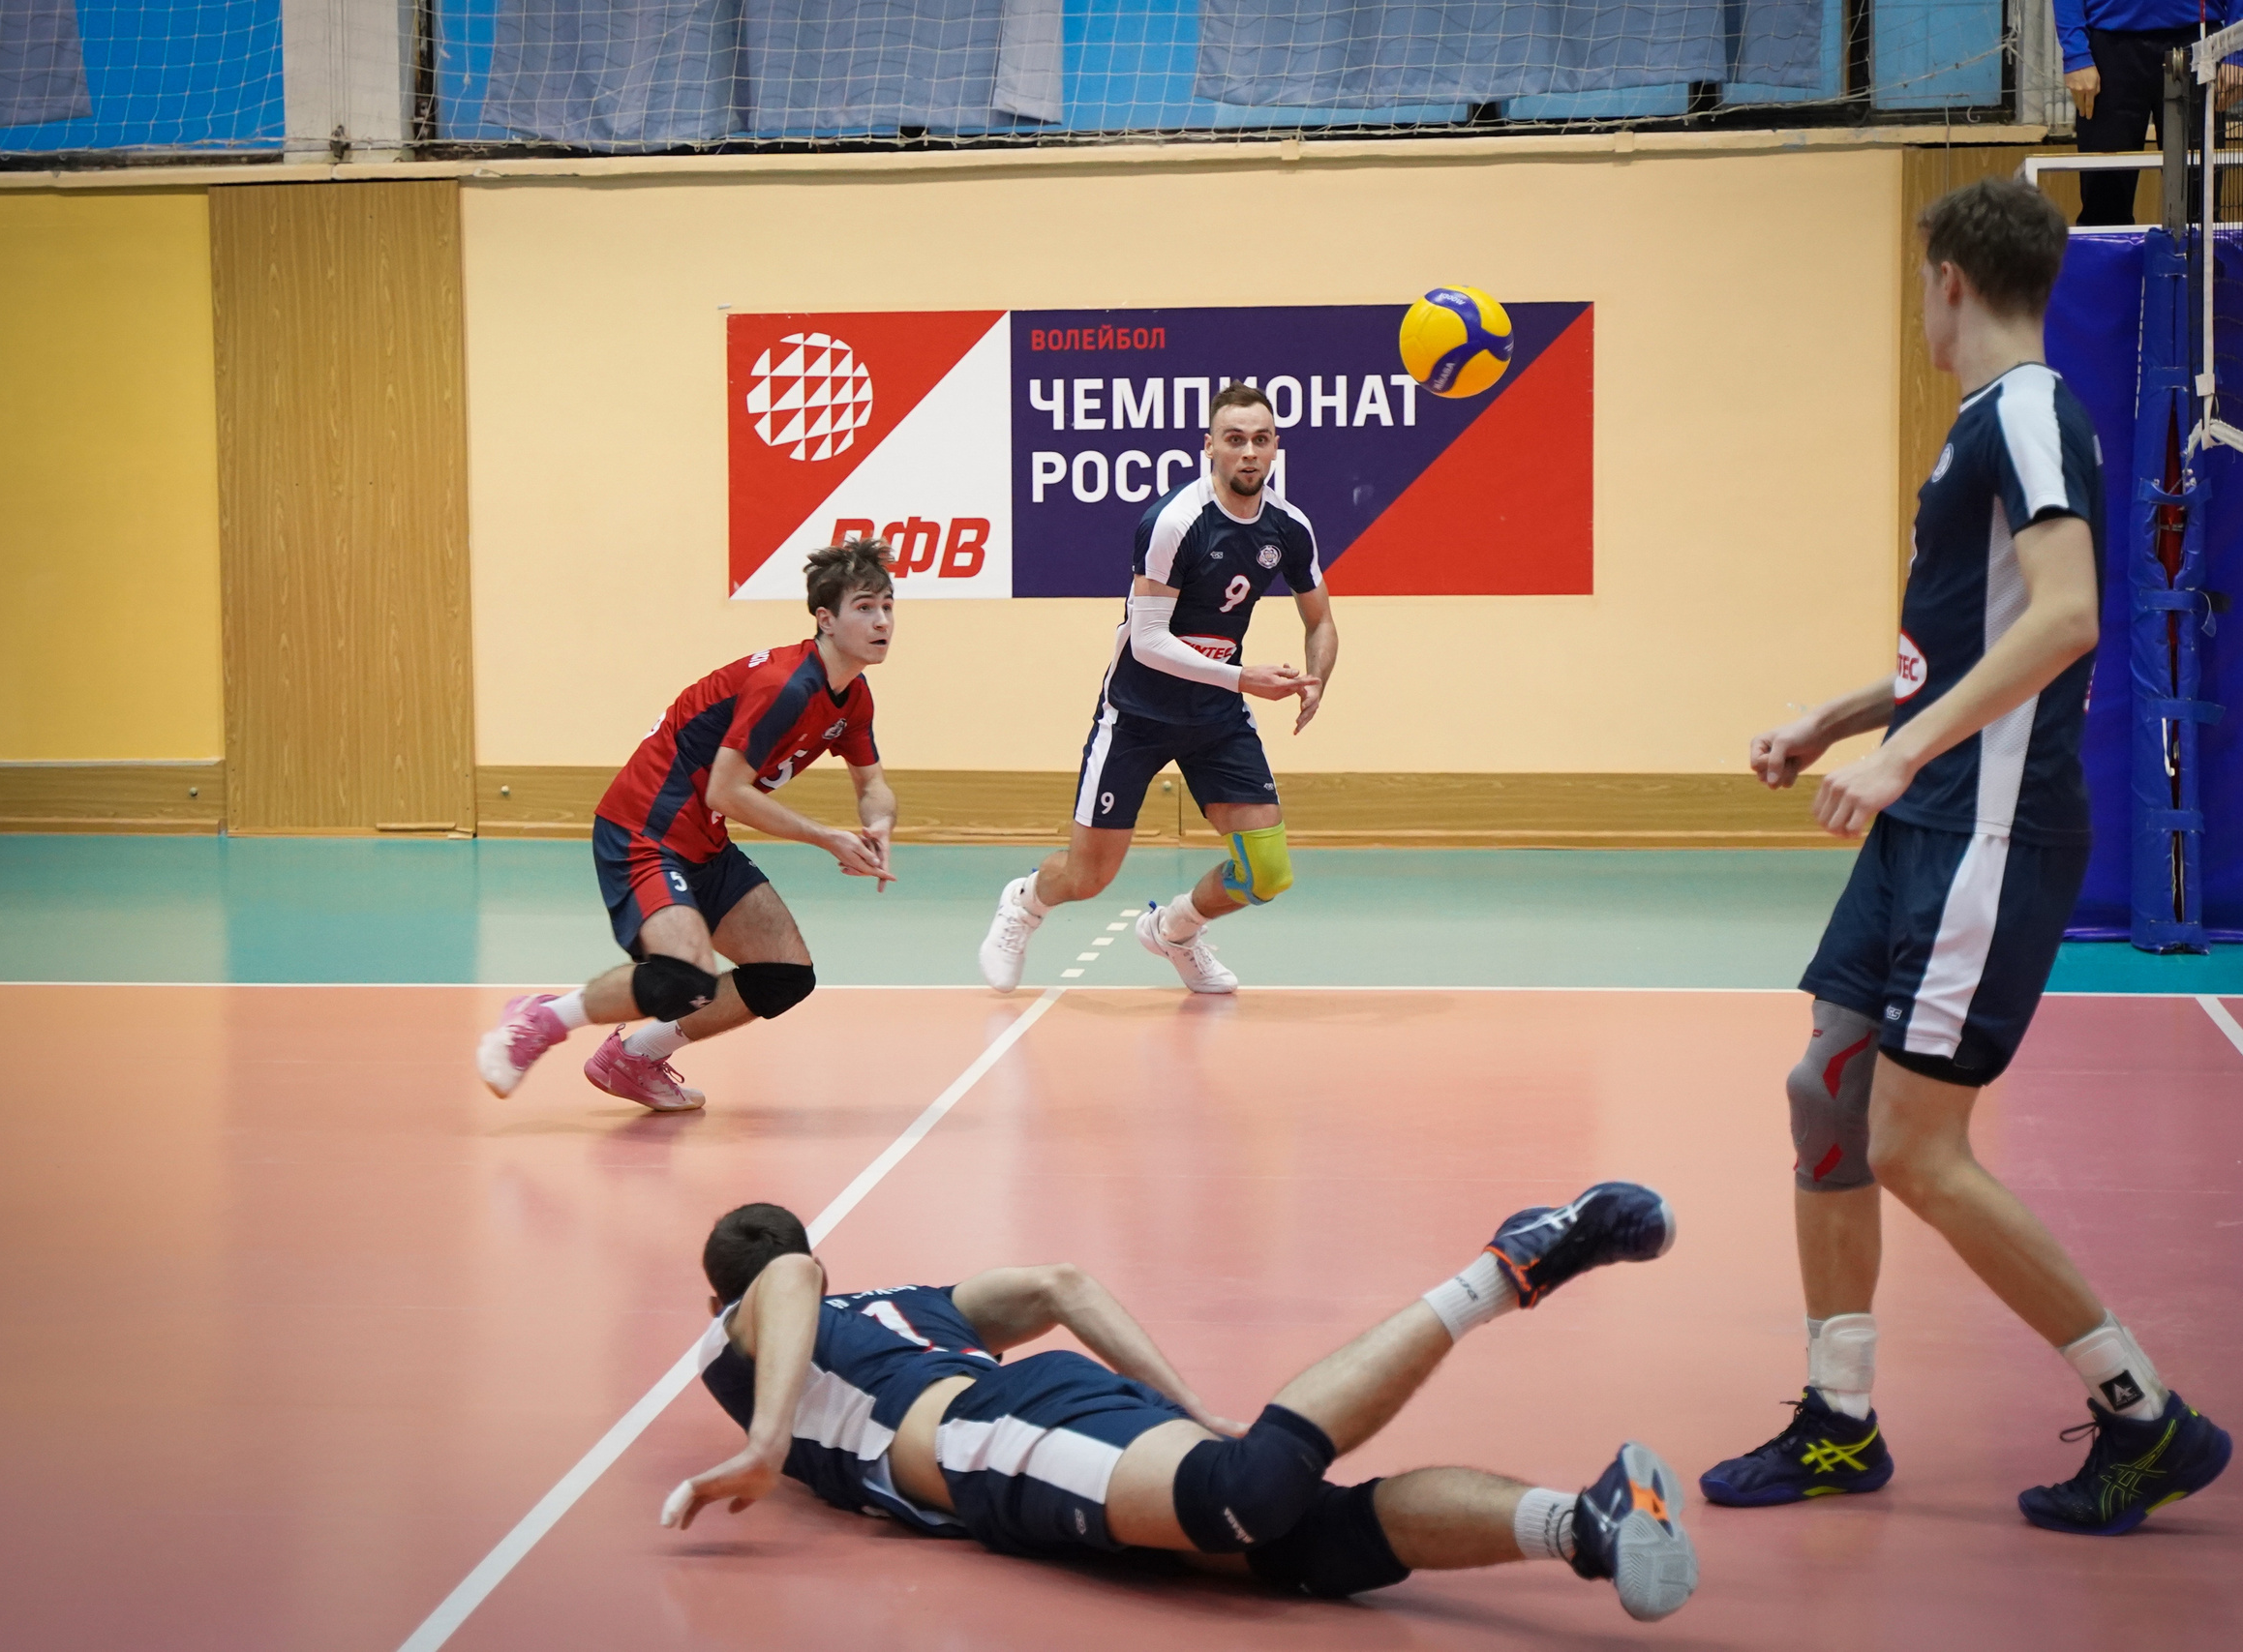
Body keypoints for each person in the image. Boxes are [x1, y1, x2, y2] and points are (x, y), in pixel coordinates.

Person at [1708, 178, 2230, 1535]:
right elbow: (1978, 634)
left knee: (1917, 1148)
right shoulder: (1985, 425)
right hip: (1932, 814)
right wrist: (1847, 714)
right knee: (1825, 1090)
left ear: (1945, 278)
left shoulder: (2027, 412)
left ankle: (2143, 1410)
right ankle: (1838, 1417)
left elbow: (2065, 619)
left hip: (1985, 828)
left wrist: (1896, 757)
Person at [661, 1183, 1697, 1621]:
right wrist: (1185, 1401)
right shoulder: (908, 1307)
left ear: (723, 1299)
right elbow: (1061, 1282)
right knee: (1309, 1547)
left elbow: (792, 1280)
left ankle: (1499, 1272)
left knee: (1239, 1496)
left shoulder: (749, 1326)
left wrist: (760, 1447)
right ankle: (1592, 1521)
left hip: (991, 1439)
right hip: (1018, 1440)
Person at [474, 540, 900, 1112]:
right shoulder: (786, 684)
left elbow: (872, 786)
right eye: (865, 607)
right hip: (643, 831)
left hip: (704, 842)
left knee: (785, 976)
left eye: (889, 607)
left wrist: (879, 829)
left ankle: (634, 1058)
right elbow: (726, 790)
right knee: (682, 978)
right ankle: (542, 1018)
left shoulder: (852, 697)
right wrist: (826, 838)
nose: (882, 621)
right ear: (825, 619)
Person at [979, 383, 1338, 995]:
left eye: (1260, 439)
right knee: (1089, 877)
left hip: (1216, 718)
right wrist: (1243, 678)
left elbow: (1321, 619)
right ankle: (1025, 903)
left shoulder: (1289, 525)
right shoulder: (1175, 521)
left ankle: (1174, 930)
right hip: (1138, 714)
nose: (1248, 452)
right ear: (1210, 448)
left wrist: (1315, 679)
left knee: (1268, 872)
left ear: (1275, 447)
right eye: (1234, 440)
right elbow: (1146, 640)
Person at [2057, 0, 2243, 226]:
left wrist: (2240, 49)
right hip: (2109, 48)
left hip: (2198, 43)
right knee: (2104, 207)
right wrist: (2076, 55)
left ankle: (2194, 262)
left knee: (2199, 207)